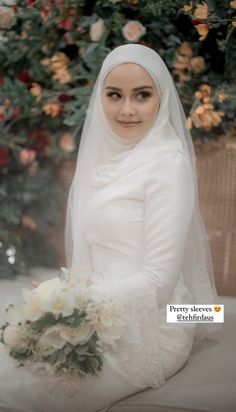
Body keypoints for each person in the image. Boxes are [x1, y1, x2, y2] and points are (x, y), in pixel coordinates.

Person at [0, 44, 222, 412]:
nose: (127, 109)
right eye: (114, 95)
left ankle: (209, 314)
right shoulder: (100, 158)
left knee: (43, 393)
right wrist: (59, 305)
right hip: (95, 308)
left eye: (142, 95)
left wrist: (80, 308)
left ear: (161, 98)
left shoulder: (168, 163)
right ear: (100, 96)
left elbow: (159, 281)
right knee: (20, 361)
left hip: (159, 316)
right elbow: (90, 260)